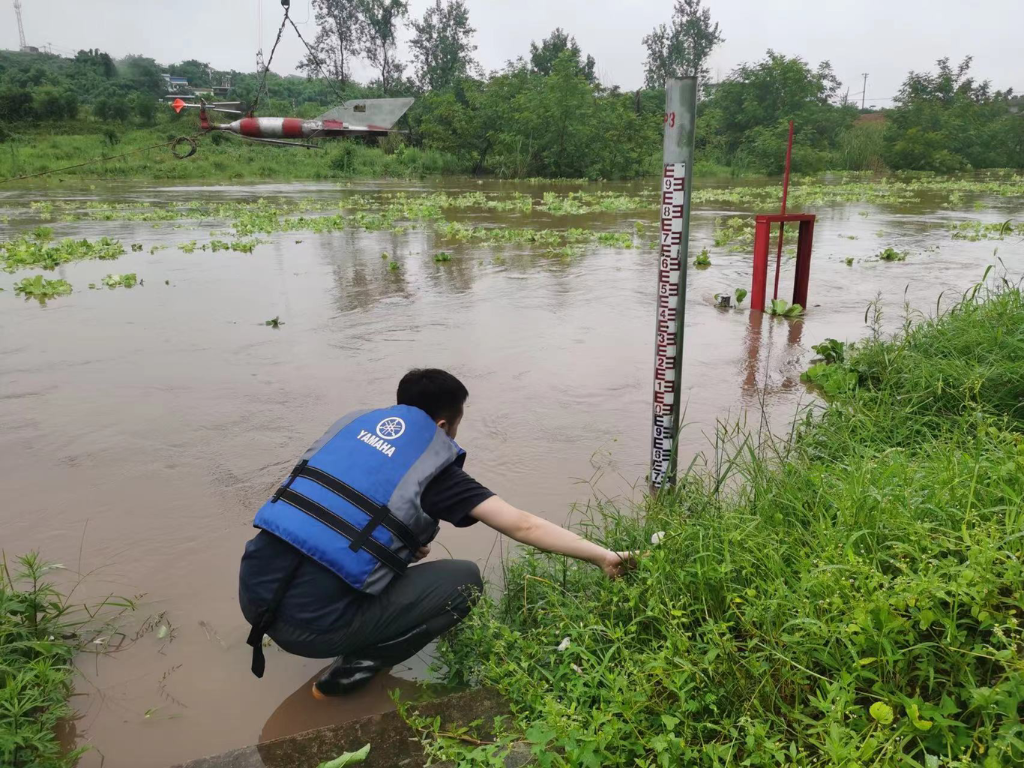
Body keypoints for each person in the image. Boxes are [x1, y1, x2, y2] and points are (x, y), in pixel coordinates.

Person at [239, 368, 635, 698]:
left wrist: (395, 545)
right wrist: (603, 555)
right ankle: (354, 669)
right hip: (311, 631)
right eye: (456, 427)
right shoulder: (437, 474)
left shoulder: (349, 435)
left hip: (252, 595)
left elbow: (326, 517)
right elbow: (522, 524)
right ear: (444, 424)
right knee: (464, 580)